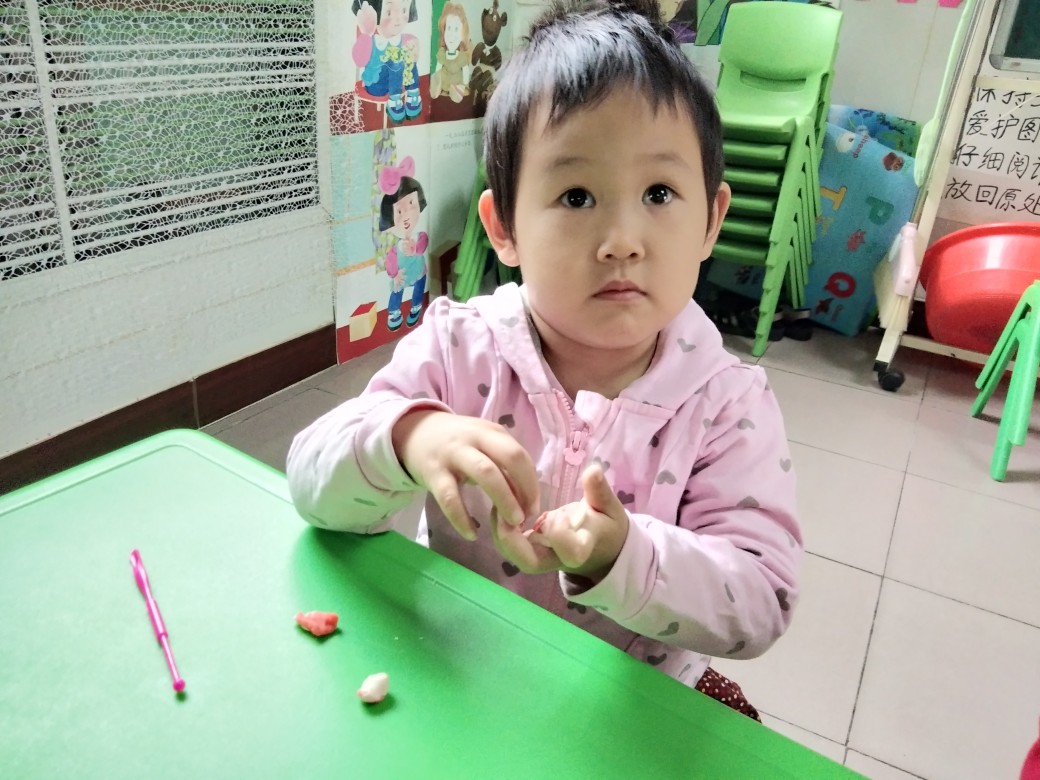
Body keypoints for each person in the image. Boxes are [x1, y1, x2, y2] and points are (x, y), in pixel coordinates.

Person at [288, 0, 801, 720]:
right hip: (460, 683)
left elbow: (762, 599)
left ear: (711, 219)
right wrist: (407, 438)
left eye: (659, 193)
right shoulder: (457, 348)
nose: (622, 240)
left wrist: (623, 558)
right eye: (576, 195)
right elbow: (311, 485)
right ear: (503, 229)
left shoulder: (725, 403)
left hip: (627, 706)